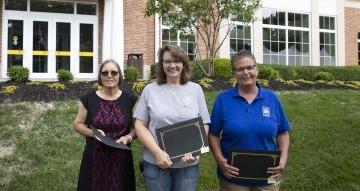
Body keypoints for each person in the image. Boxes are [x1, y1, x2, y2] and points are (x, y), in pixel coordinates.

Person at [208, 50, 291, 191]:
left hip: (267, 174)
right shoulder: (223, 99)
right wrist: (220, 160)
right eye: (240, 69)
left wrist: (282, 160)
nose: (245, 72)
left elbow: (283, 132)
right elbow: (213, 133)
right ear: (234, 73)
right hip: (233, 174)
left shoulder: (272, 98)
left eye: (249, 67)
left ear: (256, 69)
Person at [133, 44, 211, 191]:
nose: (172, 65)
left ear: (184, 64)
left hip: (187, 165)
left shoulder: (195, 90)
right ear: (161, 64)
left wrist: (196, 150)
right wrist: (157, 153)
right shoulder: (150, 90)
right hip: (155, 163)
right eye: (167, 61)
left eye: (177, 61)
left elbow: (205, 123)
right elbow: (139, 125)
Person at [73, 59, 137, 191]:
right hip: (95, 156)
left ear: (119, 76)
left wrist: (128, 137)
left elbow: (138, 128)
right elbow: (78, 124)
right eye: (105, 73)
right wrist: (93, 133)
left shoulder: (130, 100)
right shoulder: (88, 99)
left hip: (121, 157)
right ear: (100, 77)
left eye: (114, 73)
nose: (109, 76)